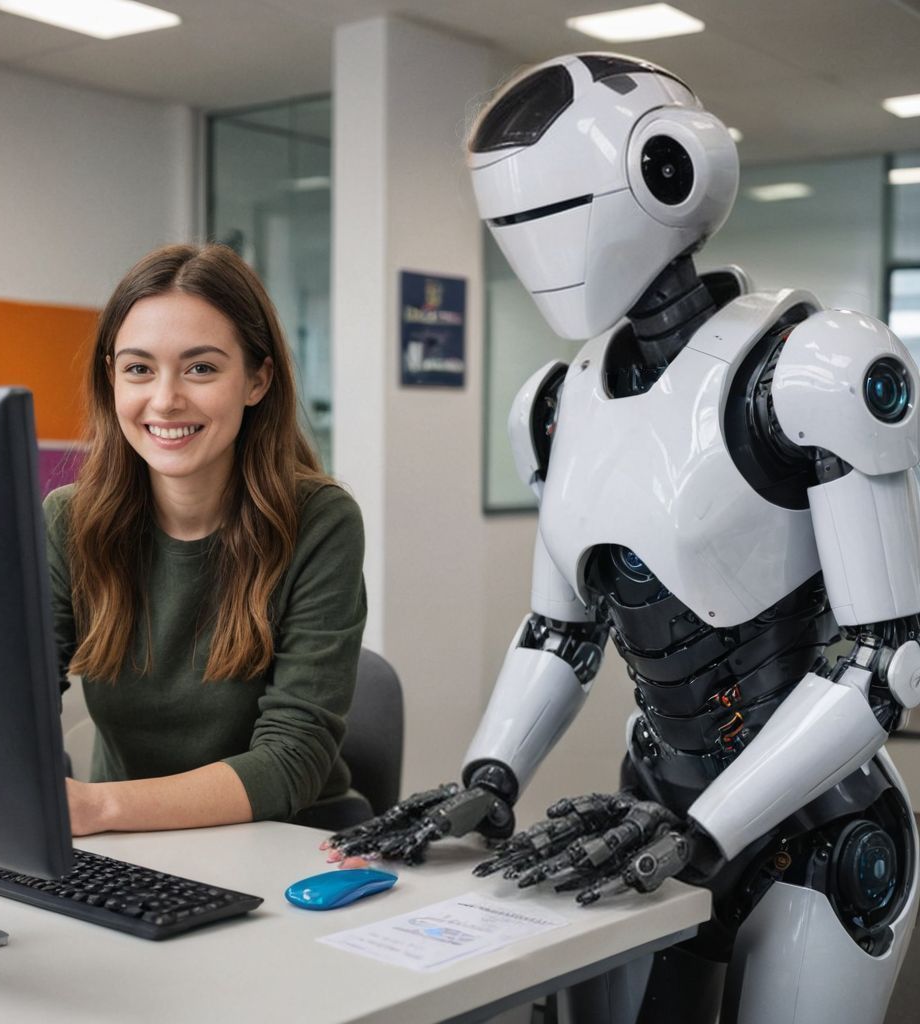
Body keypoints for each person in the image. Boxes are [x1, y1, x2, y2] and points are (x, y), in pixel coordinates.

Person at [328, 54, 919, 1023]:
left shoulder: (810, 369)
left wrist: (705, 827)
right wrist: (490, 774)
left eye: (551, 211)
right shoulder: (558, 404)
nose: (536, 249)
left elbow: (884, 662)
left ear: (668, 170)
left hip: (814, 819)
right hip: (644, 810)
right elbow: (560, 631)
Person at [45, 243, 367, 837]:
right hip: (129, 847)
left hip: (284, 838)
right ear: (111, 377)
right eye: (139, 368)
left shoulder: (320, 522)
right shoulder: (70, 522)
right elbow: (11, 697)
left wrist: (98, 807)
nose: (165, 399)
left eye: (201, 368)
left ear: (257, 379)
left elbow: (290, 762)